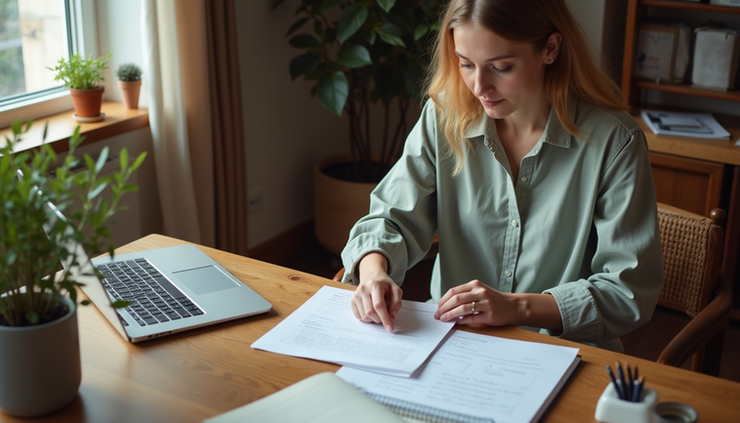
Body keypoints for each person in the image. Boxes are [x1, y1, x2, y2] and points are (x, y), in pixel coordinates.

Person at [339, 0, 663, 352]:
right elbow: (390, 217)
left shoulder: (615, 140)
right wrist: (374, 274)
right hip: (453, 341)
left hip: (564, 352)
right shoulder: (443, 116)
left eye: (501, 67)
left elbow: (627, 290)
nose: (479, 87)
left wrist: (517, 307)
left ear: (550, 49)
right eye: (465, 64)